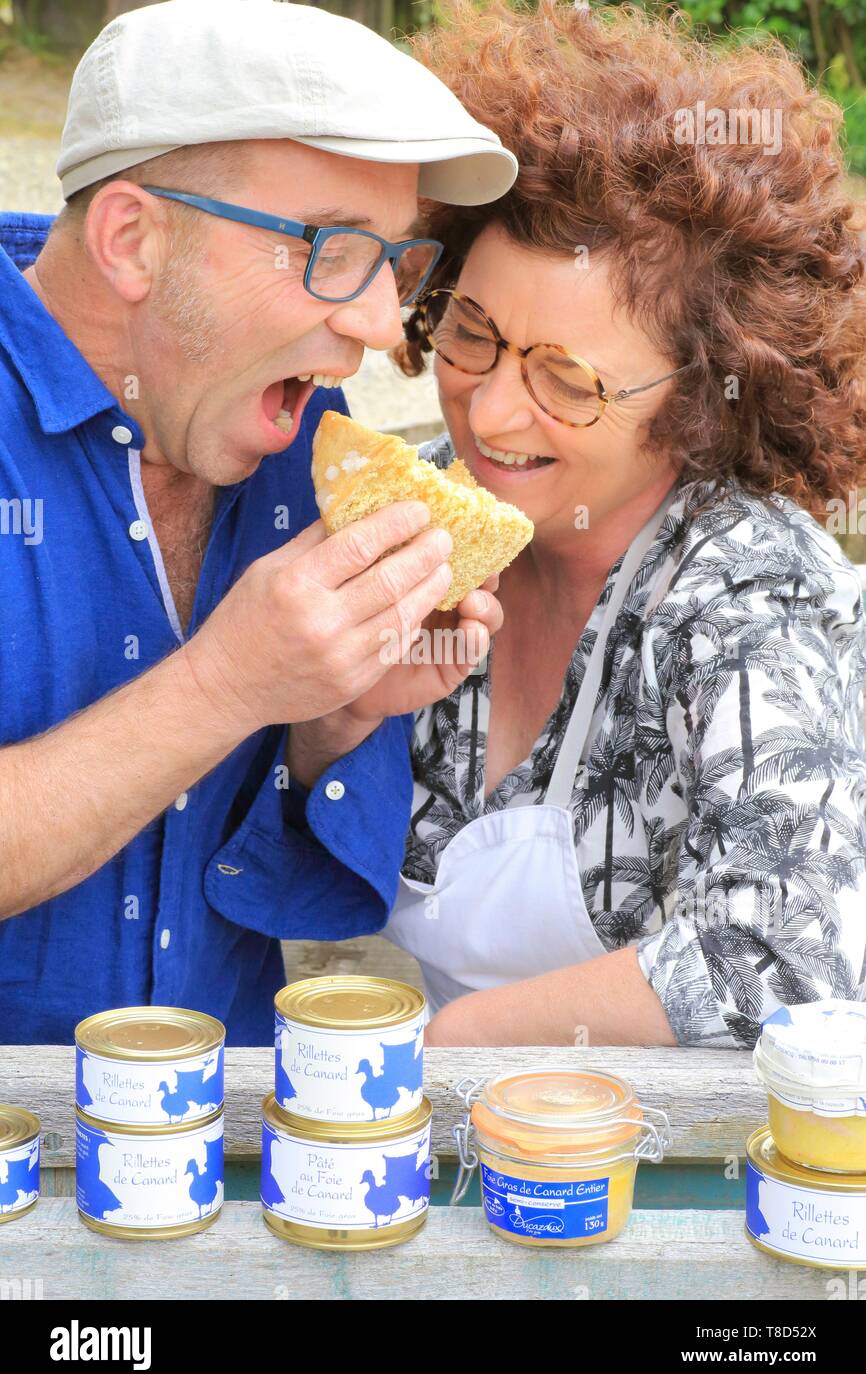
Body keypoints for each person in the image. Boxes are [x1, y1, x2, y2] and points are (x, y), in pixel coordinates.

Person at [0, 0, 516, 1044]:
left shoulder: (301, 429)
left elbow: (278, 869)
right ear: (133, 238)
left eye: (398, 262)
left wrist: (334, 716)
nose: (380, 328)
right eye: (333, 247)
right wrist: (226, 684)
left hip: (233, 1174)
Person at [379, 0, 866, 1047]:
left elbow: (777, 960)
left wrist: (423, 1057)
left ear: (700, 394)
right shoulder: (412, 511)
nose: (492, 412)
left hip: (688, 1173)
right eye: (472, 332)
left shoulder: (745, 588)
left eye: (566, 379)